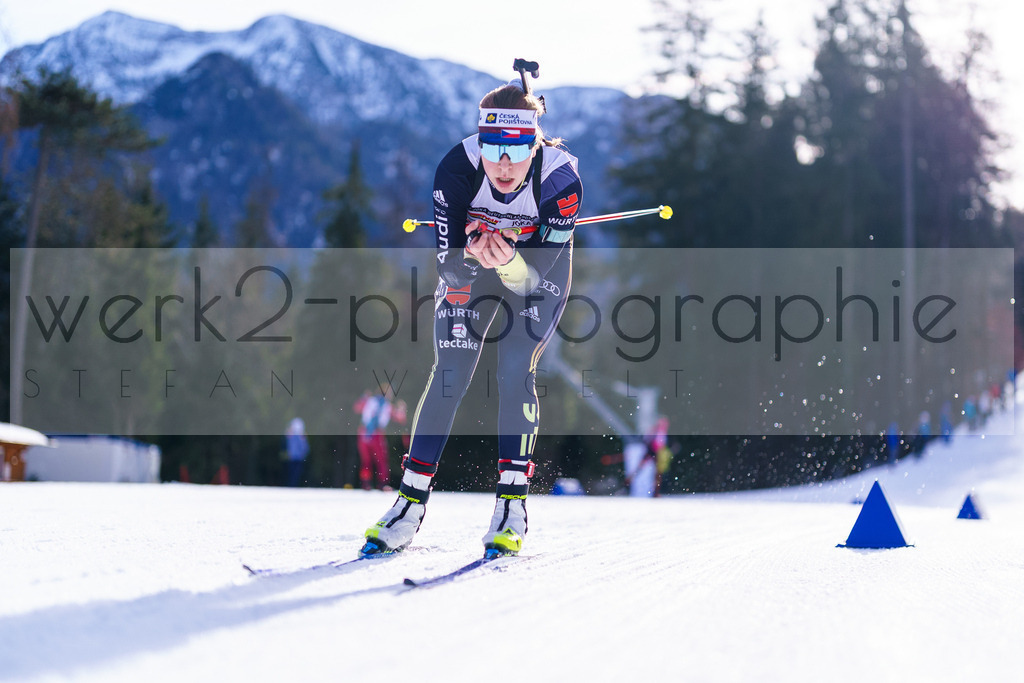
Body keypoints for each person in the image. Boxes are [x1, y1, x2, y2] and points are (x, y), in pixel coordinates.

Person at [361, 61, 583, 558]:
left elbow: (534, 280)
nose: (503, 164)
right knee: (450, 372)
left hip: (533, 274)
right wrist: (467, 262)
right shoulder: (456, 170)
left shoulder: (561, 182)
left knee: (512, 369)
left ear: (535, 146)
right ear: (479, 144)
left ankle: (512, 504)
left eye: (516, 152)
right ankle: (409, 502)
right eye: (493, 149)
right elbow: (448, 267)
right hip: (475, 267)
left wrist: (507, 263)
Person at [354, 390, 393, 490]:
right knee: (381, 460)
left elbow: (357, 408)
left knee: (366, 460)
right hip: (377, 434)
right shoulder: (387, 405)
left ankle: (366, 484)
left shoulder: (369, 400)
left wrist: (363, 398)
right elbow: (400, 418)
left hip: (364, 432)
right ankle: (383, 484)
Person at [283, 417, 309, 487]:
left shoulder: (300, 437)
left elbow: (305, 448)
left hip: (298, 458)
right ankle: (292, 485)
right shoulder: (292, 436)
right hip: (293, 457)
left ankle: (294, 485)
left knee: (296, 474)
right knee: (292, 473)